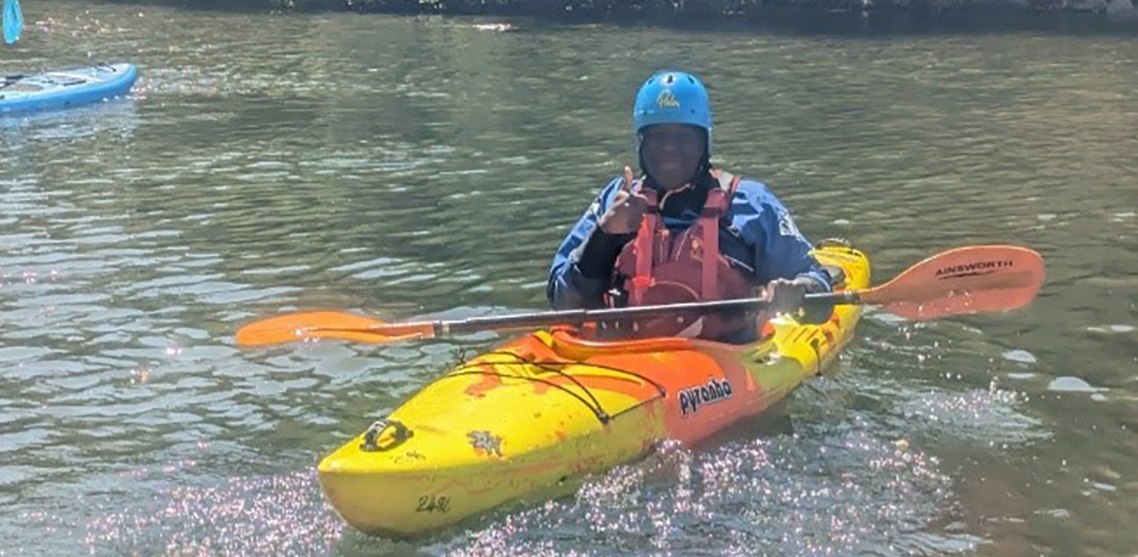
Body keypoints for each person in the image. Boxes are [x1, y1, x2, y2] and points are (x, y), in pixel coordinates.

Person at [546, 70, 833, 343]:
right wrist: (604, 236)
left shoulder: (750, 204)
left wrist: (801, 290)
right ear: (641, 145)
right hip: (626, 357)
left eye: (683, 137)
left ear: (703, 144)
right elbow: (563, 302)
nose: (669, 148)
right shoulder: (617, 200)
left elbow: (818, 292)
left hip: (722, 361)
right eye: (658, 137)